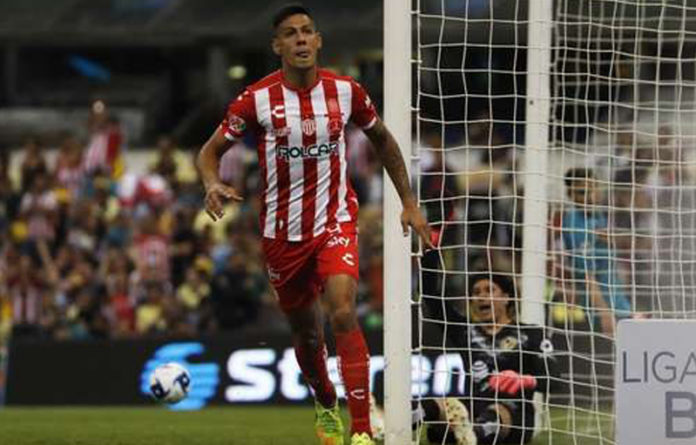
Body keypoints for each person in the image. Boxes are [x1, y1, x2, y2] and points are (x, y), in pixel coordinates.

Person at [196, 5, 432, 445]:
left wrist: (409, 201)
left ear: (319, 41)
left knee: (342, 309)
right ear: (278, 46)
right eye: (291, 34)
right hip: (281, 233)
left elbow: (382, 139)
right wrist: (212, 183)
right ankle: (326, 401)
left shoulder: (347, 92)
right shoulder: (255, 100)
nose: (301, 39)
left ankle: (361, 429)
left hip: (335, 218)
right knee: (306, 334)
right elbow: (209, 152)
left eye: (307, 32)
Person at [417, 273, 557, 444]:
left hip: (513, 414)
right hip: (470, 408)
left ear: (506, 298)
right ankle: (398, 426)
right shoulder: (464, 331)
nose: (481, 296)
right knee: (433, 405)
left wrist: (524, 380)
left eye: (489, 290)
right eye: (476, 292)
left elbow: (555, 379)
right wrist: (429, 252)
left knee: (492, 416)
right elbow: (430, 295)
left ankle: (473, 434)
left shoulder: (531, 334)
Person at [561, 168, 632, 335]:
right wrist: (604, 313)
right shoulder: (574, 224)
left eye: (593, 190)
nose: (590, 197)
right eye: (582, 192)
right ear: (570, 194)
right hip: (601, 312)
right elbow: (587, 275)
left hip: (619, 303)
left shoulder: (598, 216)